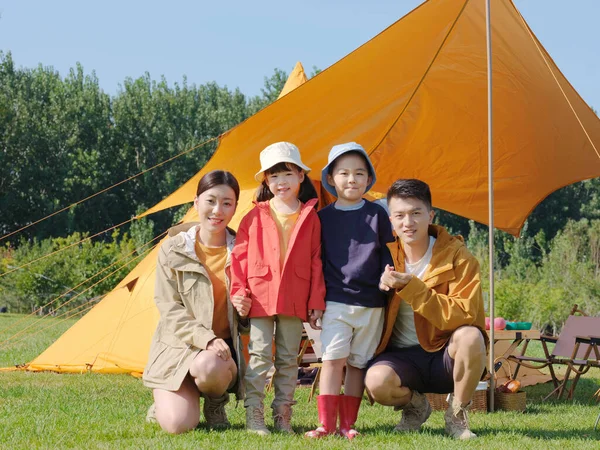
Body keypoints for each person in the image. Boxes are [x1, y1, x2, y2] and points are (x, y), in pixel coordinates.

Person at [364, 178, 487, 440]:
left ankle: (457, 415)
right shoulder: (383, 254)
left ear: (430, 215)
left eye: (416, 213)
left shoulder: (458, 255)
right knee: (376, 382)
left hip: (445, 353)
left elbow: (465, 313)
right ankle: (416, 407)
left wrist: (414, 288)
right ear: (391, 221)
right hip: (402, 357)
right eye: (400, 215)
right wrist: (380, 284)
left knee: (471, 336)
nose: (408, 223)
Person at [142, 170, 250, 434]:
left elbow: (250, 321)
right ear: (196, 202)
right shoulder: (173, 248)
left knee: (208, 363)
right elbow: (169, 308)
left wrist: (246, 312)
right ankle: (164, 402)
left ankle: (215, 403)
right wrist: (206, 339)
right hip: (177, 349)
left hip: (219, 358)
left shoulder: (244, 250)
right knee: (177, 425)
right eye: (210, 200)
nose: (218, 210)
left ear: (235, 207)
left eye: (227, 203)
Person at [230, 141, 326, 435]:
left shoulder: (311, 216)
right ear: (266, 181)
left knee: (287, 358)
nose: (280, 182)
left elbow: (315, 261)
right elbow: (239, 259)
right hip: (260, 295)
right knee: (259, 353)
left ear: (300, 176)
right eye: (273, 176)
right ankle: (254, 414)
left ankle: (283, 414)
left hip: (295, 296)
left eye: (287, 174)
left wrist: (316, 300)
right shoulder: (253, 217)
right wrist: (239, 292)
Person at [306, 142, 394, 440]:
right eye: (343, 173)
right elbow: (316, 263)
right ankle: (325, 424)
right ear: (331, 179)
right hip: (335, 301)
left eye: (359, 173)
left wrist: (387, 276)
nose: (351, 179)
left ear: (369, 179)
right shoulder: (322, 218)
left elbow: (387, 252)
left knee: (357, 363)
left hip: (372, 302)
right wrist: (316, 301)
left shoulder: (377, 214)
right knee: (332, 360)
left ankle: (348, 425)